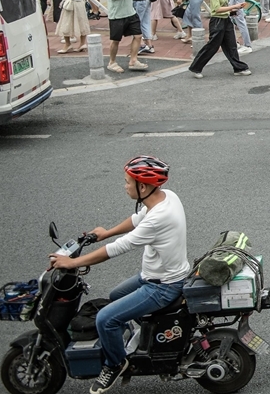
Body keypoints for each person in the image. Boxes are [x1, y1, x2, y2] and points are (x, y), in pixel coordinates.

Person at [48, 156, 189, 394]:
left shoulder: (158, 218)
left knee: (105, 318)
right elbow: (137, 219)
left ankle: (115, 364)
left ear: (142, 187)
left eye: (127, 182)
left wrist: (73, 262)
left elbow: (117, 249)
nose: (124, 186)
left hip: (162, 286)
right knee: (115, 295)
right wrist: (106, 232)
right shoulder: (167, 197)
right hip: (154, 275)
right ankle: (136, 338)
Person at [187, 0, 251, 78]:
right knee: (212, 46)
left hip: (226, 20)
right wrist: (234, 7)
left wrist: (234, 10)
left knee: (231, 45)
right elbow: (216, 9)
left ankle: (238, 67)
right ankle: (196, 67)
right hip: (217, 22)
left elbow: (224, 7)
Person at [106, 0, 146, 73]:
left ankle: (133, 60)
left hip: (130, 12)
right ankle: (112, 62)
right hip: (117, 14)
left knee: (138, 35)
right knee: (116, 40)